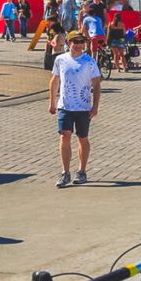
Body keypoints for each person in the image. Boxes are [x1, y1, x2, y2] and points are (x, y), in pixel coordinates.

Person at [49, 32, 101, 187]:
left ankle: (82, 171)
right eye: (75, 41)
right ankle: (65, 172)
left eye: (81, 42)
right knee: (65, 136)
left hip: (83, 107)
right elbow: (55, 80)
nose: (79, 45)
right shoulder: (60, 59)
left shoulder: (89, 62)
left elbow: (97, 85)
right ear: (68, 42)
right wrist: (52, 102)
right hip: (65, 106)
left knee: (82, 138)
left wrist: (95, 106)